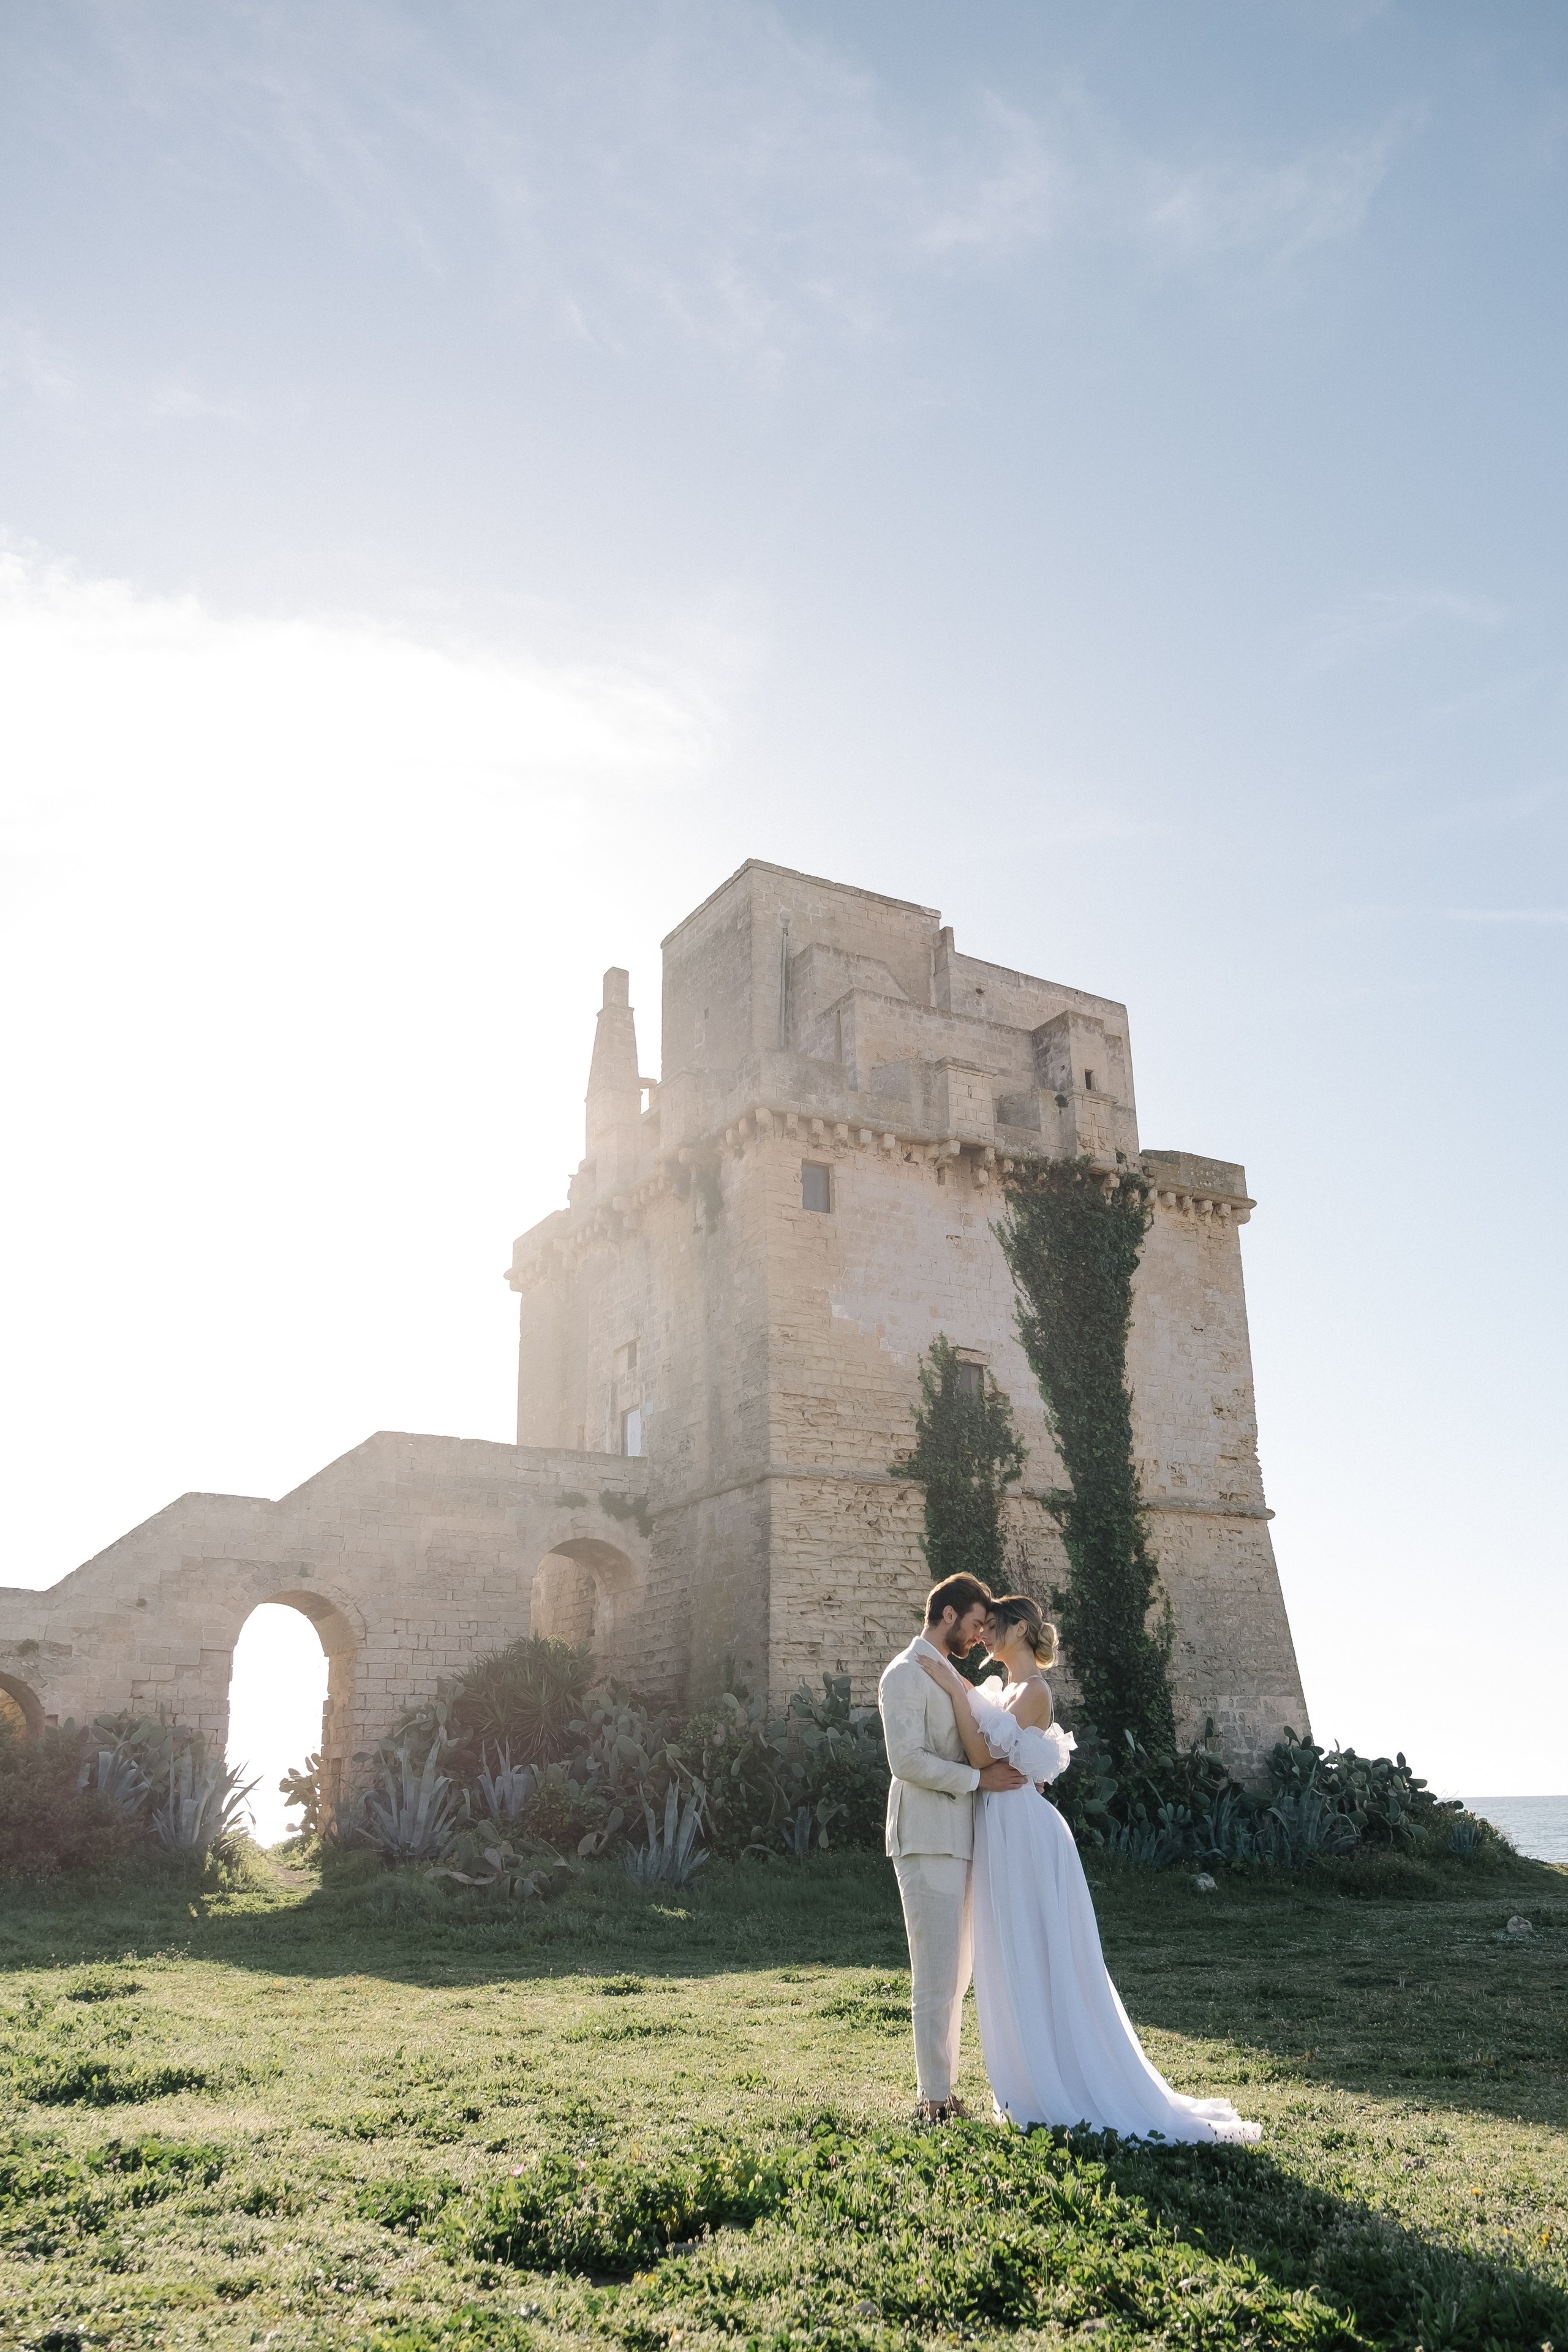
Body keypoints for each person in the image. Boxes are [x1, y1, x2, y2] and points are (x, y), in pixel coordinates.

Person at [914, 1592, 1261, 2144]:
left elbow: (982, 1757)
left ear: (1019, 1627)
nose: (980, 1636)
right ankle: (1028, 2075)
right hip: (999, 1828)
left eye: (990, 1626)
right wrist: (955, 1687)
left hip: (1023, 1832)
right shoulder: (1005, 1690)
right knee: (1009, 1952)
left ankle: (1060, 2078)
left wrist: (948, 1681)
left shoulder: (1034, 1693)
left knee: (1039, 1949)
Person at [878, 1575, 1027, 2121]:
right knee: (936, 1975)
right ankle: (933, 2102)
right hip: (924, 1839)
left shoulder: (946, 1676)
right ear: (946, 1616)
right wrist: (977, 1782)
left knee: (956, 1978)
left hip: (961, 1840)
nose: (978, 1635)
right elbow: (907, 1762)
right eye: (973, 1624)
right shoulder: (902, 1676)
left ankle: (943, 2092)